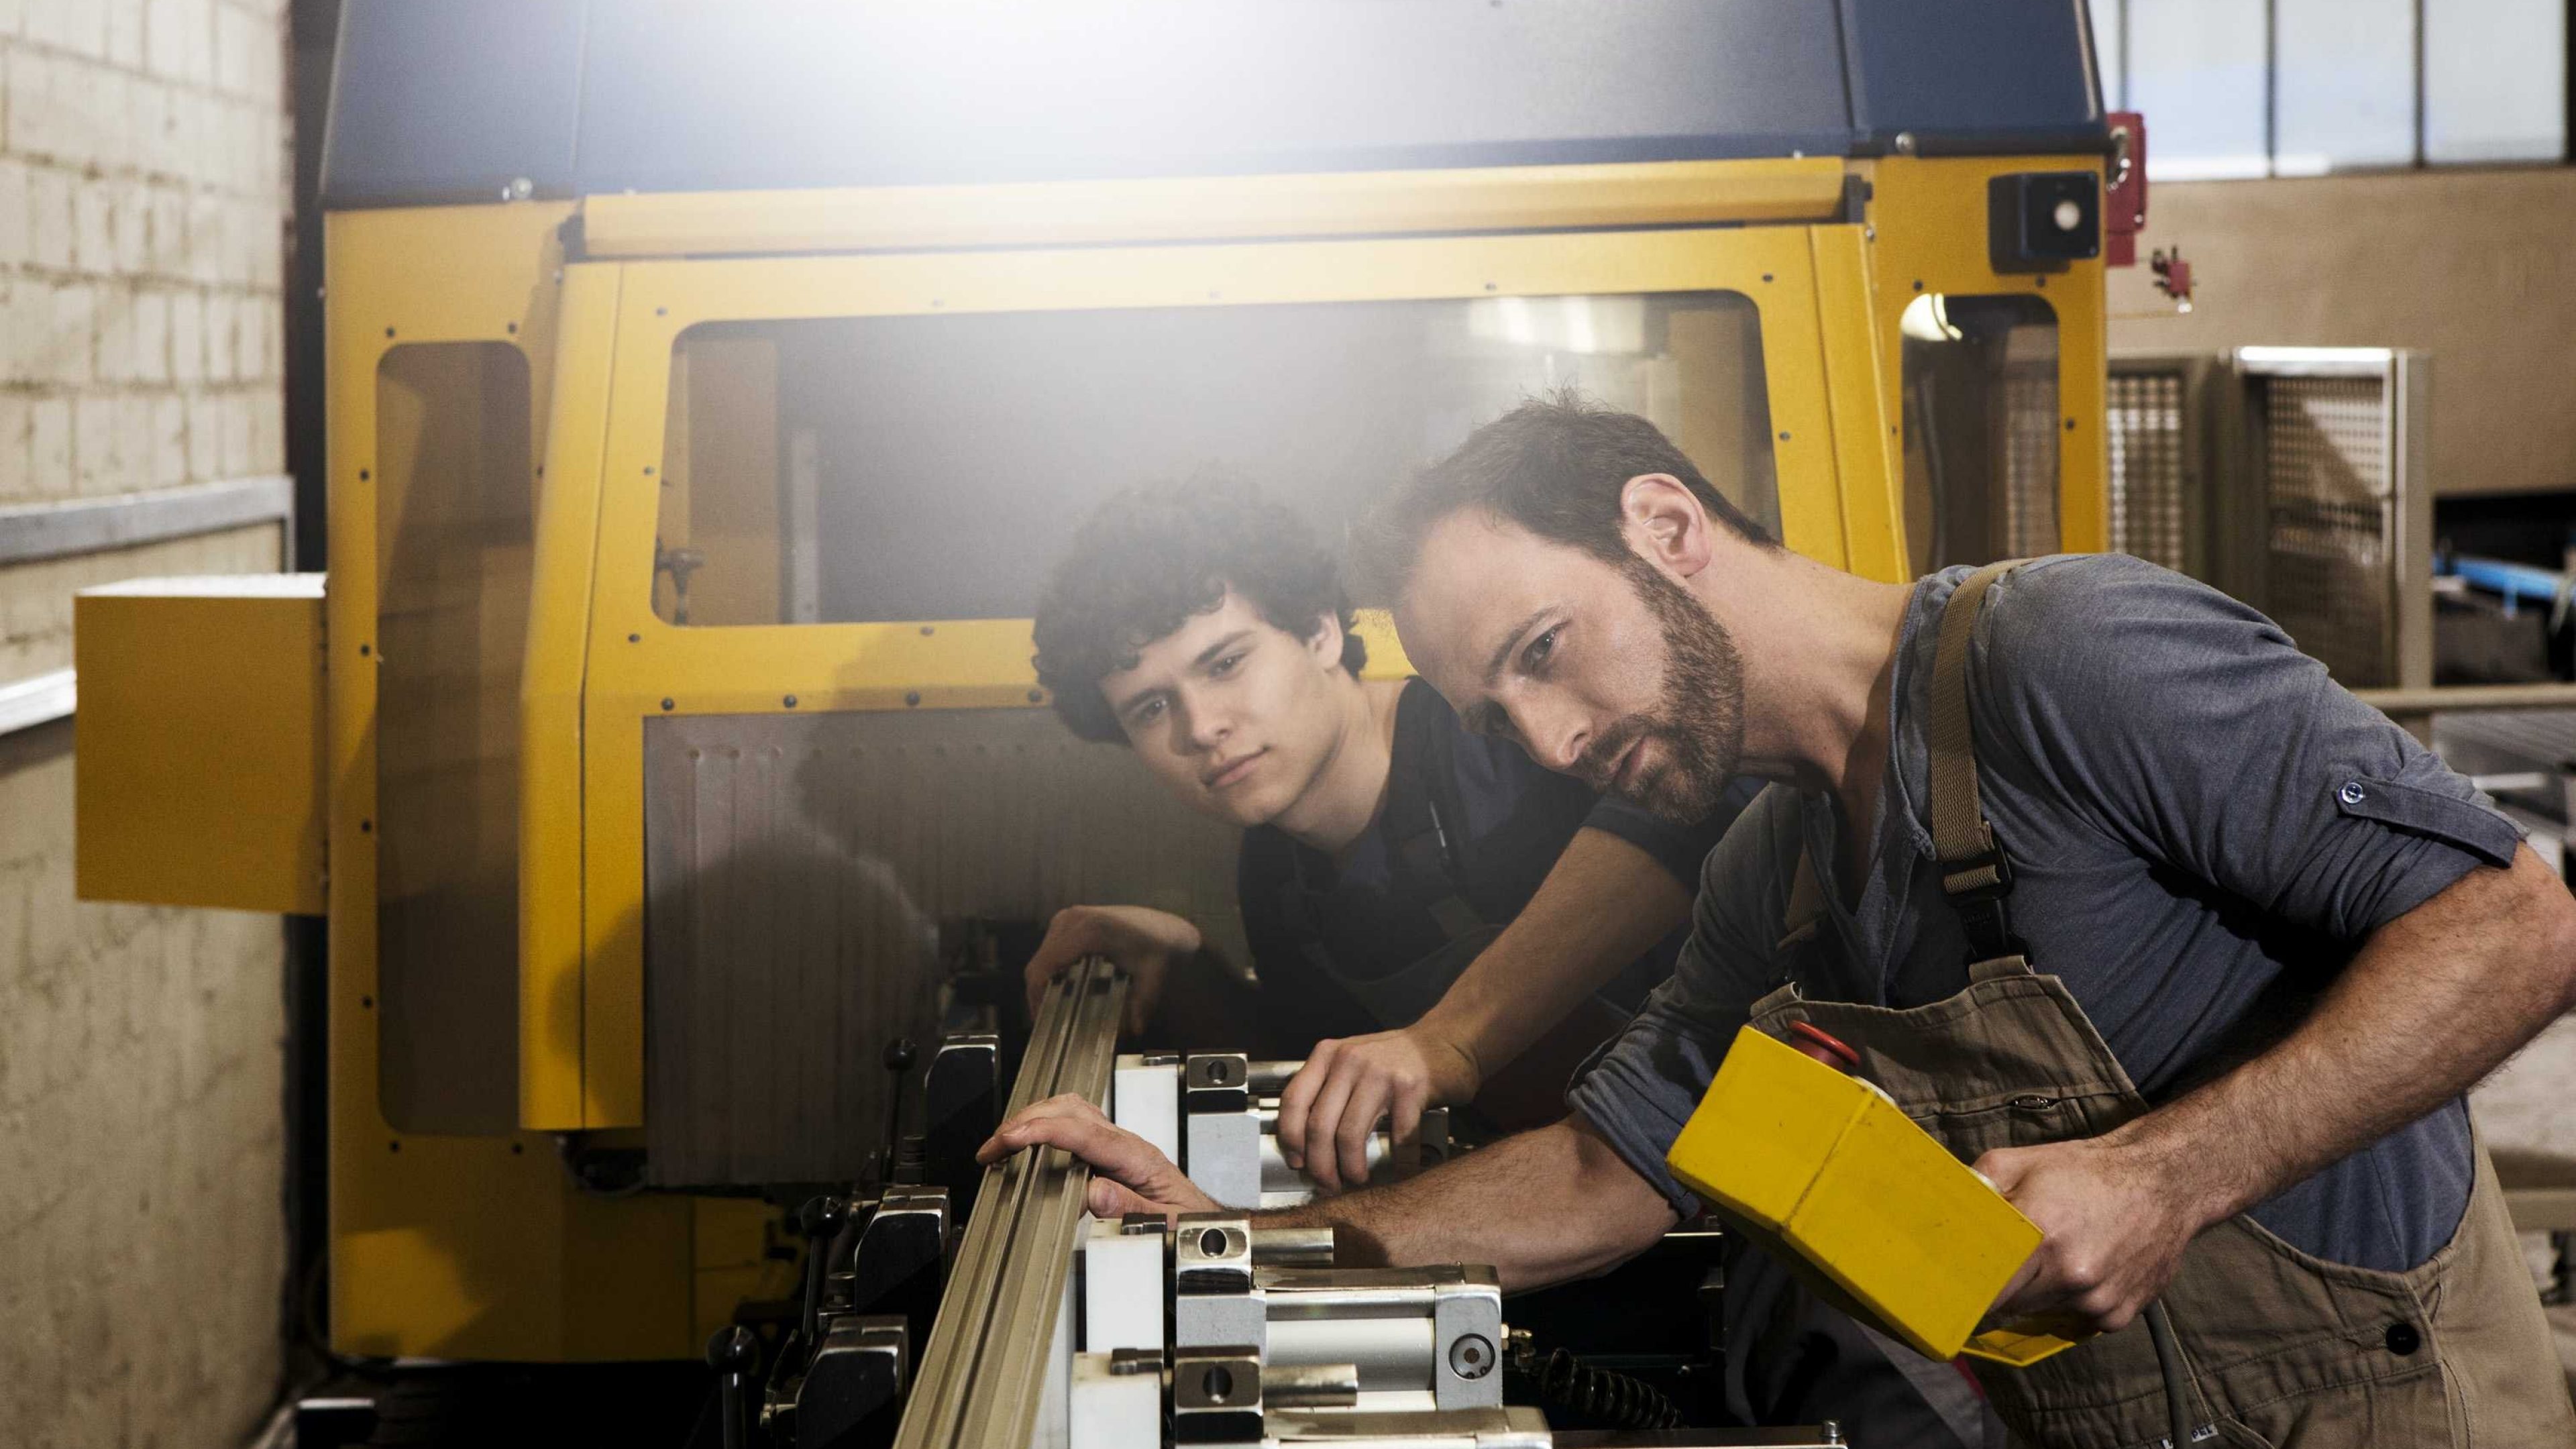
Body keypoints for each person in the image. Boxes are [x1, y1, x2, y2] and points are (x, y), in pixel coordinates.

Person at [985, 396, 2576, 1446]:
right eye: (1495, 710)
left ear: (1668, 527)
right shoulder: (1777, 872)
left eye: (1546, 648)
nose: (1544, 740)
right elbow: (1615, 1174)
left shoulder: (2063, 659)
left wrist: (2168, 1174)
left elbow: (2516, 920)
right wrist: (1224, 1247)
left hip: (2390, 1410)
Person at [1020, 480, 1991, 1441]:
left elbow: (1700, 807)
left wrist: (1451, 1037)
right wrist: (1191, 970)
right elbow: (1344, 1092)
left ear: (1319, 630)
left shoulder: (1486, 734)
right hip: (1615, 1231)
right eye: (1151, 709)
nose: (1201, 727)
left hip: (1842, 1228)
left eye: (1225, 662)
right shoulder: (1279, 880)